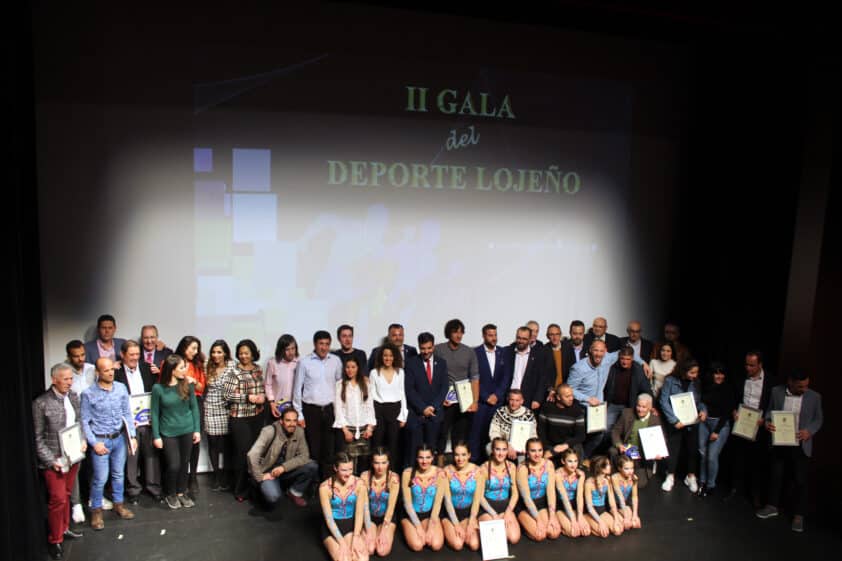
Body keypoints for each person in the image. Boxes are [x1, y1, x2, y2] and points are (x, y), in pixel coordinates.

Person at [756, 370, 823, 532]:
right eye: (801, 386)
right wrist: (768, 423)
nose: (804, 389)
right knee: (776, 475)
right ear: (790, 382)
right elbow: (769, 413)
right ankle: (772, 506)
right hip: (780, 442)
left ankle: (799, 515)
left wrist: (809, 431)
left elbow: (818, 419)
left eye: (807, 385)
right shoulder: (776, 392)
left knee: (800, 480)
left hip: (800, 444)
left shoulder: (815, 397)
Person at [34, 363, 86, 560]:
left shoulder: (73, 396)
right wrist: (51, 460)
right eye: (65, 379)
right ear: (54, 380)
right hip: (55, 461)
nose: (69, 382)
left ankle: (64, 529)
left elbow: (79, 421)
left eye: (71, 379)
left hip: (73, 457)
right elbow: (37, 439)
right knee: (58, 500)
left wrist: (82, 440)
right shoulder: (42, 403)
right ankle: (55, 539)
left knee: (66, 494)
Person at [80, 357, 137, 530]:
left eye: (112, 369)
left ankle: (118, 504)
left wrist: (132, 436)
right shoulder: (88, 394)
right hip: (101, 440)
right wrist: (94, 443)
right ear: (98, 373)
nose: (111, 372)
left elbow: (127, 413)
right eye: (106, 370)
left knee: (118, 474)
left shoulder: (121, 388)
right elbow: (84, 421)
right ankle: (96, 510)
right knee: (100, 478)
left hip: (119, 438)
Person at [568, 340, 648, 457]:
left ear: (605, 351)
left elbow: (628, 352)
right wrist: (587, 398)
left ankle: (585, 458)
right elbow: (569, 389)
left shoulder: (607, 359)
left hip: (598, 409)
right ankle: (577, 461)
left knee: (600, 435)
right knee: (581, 437)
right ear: (590, 350)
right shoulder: (578, 368)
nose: (599, 354)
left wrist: (643, 363)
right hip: (582, 408)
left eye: (601, 351)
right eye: (596, 350)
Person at [114, 340, 162, 504]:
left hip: (148, 421)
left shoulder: (147, 368)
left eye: (137, 354)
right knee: (131, 457)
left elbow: (156, 392)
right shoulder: (116, 372)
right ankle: (133, 490)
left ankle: (153, 487)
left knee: (151, 456)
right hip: (129, 424)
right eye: (131, 354)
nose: (135, 358)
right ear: (122, 355)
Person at [151, 354, 200, 510]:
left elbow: (194, 408)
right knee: (174, 464)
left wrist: (197, 430)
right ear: (172, 370)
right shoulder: (158, 388)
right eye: (181, 367)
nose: (185, 370)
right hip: (168, 432)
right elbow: (154, 413)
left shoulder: (187, 384)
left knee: (184, 463)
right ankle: (170, 493)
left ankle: (181, 492)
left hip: (186, 429)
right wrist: (156, 435)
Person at [294, 330, 344, 477]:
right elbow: (297, 389)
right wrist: (299, 414)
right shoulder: (304, 362)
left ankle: (326, 483)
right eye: (321, 344)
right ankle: (312, 485)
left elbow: (339, 386)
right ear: (315, 344)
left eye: (327, 344)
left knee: (329, 449)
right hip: (311, 411)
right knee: (313, 449)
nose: (324, 347)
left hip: (330, 410)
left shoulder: (335, 361)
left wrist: (340, 412)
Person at [247, 407, 319, 509]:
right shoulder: (269, 431)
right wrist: (259, 476)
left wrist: (283, 467)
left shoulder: (299, 431)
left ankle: (294, 492)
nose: (292, 424)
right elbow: (252, 454)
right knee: (273, 497)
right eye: (288, 420)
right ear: (281, 421)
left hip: (284, 470)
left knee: (312, 466)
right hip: (268, 472)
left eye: (295, 420)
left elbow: (304, 456)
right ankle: (260, 488)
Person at [728, 350, 773, 506]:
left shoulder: (770, 381)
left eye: (752, 365)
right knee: (738, 459)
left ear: (760, 364)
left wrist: (765, 418)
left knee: (757, 462)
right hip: (741, 424)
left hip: (759, 427)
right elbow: (733, 398)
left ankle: (755, 494)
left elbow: (773, 404)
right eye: (746, 364)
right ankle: (735, 490)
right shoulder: (740, 378)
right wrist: (733, 410)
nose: (748, 368)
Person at [224, 339, 266, 501]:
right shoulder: (233, 372)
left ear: (253, 353)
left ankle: (255, 487)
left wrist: (262, 396)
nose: (243, 356)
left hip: (257, 416)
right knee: (242, 454)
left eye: (246, 353)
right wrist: (248, 397)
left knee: (256, 454)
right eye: (241, 353)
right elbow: (227, 395)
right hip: (239, 418)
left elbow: (262, 388)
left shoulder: (258, 369)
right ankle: (240, 489)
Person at [435, 319, 479, 463]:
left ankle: (457, 463)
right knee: (442, 431)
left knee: (459, 434)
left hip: (464, 399)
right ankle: (440, 463)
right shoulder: (438, 349)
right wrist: (439, 398)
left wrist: (475, 401)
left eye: (461, 332)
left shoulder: (469, 352)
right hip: (445, 398)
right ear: (449, 333)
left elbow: (474, 378)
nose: (458, 335)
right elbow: (433, 376)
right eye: (455, 331)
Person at [659, 359, 707, 493]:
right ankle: (670, 476)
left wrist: (703, 411)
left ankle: (691, 476)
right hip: (677, 423)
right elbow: (663, 401)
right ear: (684, 371)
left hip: (692, 421)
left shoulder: (696, 383)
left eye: (696, 372)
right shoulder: (670, 380)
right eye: (692, 372)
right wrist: (674, 420)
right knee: (674, 449)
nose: (694, 375)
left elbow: (700, 402)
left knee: (692, 449)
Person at [404, 333, 448, 468]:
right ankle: (412, 481)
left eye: (429, 348)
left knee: (431, 451)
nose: (426, 351)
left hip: (434, 415)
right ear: (419, 347)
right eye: (423, 348)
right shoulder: (411, 363)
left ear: (433, 346)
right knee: (413, 452)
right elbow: (409, 390)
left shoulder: (441, 363)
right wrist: (423, 408)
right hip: (416, 415)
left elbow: (444, 387)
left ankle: (431, 482)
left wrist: (433, 407)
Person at [469, 324, 512, 462]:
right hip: (481, 402)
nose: (494, 338)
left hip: (497, 402)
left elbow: (506, 377)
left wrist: (497, 395)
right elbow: (473, 377)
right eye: (490, 335)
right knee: (477, 434)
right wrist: (485, 396)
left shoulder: (503, 352)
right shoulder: (475, 353)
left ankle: (493, 463)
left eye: (495, 335)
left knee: (495, 435)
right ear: (483, 336)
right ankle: (476, 464)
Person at [64, 339, 95, 523]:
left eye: (82, 354)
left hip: (93, 422)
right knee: (76, 465)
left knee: (94, 463)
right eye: (76, 356)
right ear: (69, 356)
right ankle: (76, 503)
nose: (80, 359)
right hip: (74, 424)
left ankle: (94, 496)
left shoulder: (92, 369)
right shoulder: (64, 371)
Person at [319, 452, 369, 561]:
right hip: (332, 527)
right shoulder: (324, 487)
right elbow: (329, 519)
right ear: (335, 468)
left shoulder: (360, 484)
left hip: (351, 524)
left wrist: (356, 537)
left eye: (350, 469)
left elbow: (360, 513)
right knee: (344, 559)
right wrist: (342, 543)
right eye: (344, 470)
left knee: (362, 559)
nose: (348, 474)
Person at [697, 362, 735, 497]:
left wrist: (717, 431)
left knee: (712, 457)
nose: (719, 376)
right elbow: (701, 402)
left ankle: (711, 485)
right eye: (716, 373)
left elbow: (727, 412)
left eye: (721, 373)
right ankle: (701, 482)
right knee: (702, 454)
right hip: (704, 423)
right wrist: (703, 410)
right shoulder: (706, 385)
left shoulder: (728, 388)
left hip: (720, 424)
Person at [174, 336, 206, 494]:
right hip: (178, 404)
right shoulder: (173, 361)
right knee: (179, 442)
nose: (195, 351)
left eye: (197, 348)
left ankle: (192, 477)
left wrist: (193, 381)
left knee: (195, 441)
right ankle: (180, 478)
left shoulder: (197, 364)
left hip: (196, 403)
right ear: (184, 347)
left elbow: (202, 387)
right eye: (193, 348)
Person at [609, 393, 663, 487]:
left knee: (639, 484)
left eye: (644, 407)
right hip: (628, 449)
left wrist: (658, 452)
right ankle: (617, 473)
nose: (640, 409)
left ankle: (633, 471)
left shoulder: (655, 420)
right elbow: (615, 431)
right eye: (638, 405)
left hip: (643, 454)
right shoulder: (627, 413)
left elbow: (661, 439)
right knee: (613, 450)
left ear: (650, 407)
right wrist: (619, 444)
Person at [333, 357, 376, 473]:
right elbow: (338, 409)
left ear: (358, 368)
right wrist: (345, 430)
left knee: (364, 463)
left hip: (363, 429)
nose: (350, 370)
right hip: (348, 429)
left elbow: (369, 406)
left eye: (353, 367)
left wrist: (370, 427)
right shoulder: (340, 385)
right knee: (348, 463)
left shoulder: (365, 384)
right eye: (347, 367)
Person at [369, 343, 407, 471]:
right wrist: (372, 419)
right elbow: (371, 396)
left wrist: (403, 416)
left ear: (395, 357)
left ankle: (393, 475)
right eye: (385, 355)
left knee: (394, 446)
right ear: (381, 357)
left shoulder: (400, 372)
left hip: (395, 410)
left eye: (391, 355)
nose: (388, 358)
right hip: (378, 410)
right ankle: (375, 476)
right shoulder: (374, 373)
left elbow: (402, 393)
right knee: (377, 444)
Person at [441, 441, 484, 551]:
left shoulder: (477, 471)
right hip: (450, 514)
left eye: (463, 455)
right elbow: (447, 501)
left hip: (468, 513)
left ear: (469, 455)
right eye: (457, 455)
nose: (460, 459)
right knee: (458, 544)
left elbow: (476, 499)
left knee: (474, 545)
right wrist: (456, 524)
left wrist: (471, 521)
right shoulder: (447, 471)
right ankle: (444, 527)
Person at [204, 340, 235, 491]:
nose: (215, 355)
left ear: (225, 353)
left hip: (226, 409)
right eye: (213, 352)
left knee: (227, 445)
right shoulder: (207, 365)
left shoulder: (232, 366)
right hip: (210, 408)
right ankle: (216, 477)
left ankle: (227, 477)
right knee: (213, 444)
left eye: (219, 352)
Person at [401, 444, 445, 552]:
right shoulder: (407, 473)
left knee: (436, 544)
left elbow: (437, 503)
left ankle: (425, 525)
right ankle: (408, 527)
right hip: (410, 514)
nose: (424, 461)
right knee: (417, 545)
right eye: (421, 457)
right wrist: (418, 527)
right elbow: (407, 503)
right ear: (416, 458)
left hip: (429, 514)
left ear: (433, 458)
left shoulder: (439, 473)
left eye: (428, 457)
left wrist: (431, 525)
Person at [516, 438, 561, 541]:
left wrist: (552, 516)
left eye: (540, 450)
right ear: (527, 452)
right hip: (526, 505)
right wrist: (538, 520)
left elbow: (551, 492)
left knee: (553, 533)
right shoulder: (522, 468)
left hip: (542, 503)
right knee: (540, 535)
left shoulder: (549, 464)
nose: (537, 454)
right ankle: (523, 522)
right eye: (533, 451)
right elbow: (526, 498)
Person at [478, 437, 521, 544]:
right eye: (497, 449)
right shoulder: (483, 468)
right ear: (492, 450)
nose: (501, 453)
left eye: (504, 449)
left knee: (513, 538)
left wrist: (508, 512)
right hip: (487, 508)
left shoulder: (511, 466)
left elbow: (515, 493)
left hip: (505, 507)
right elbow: (479, 496)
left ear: (507, 450)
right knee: (497, 539)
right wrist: (494, 515)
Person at [361, 447, 400, 557]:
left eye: (383, 463)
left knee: (382, 551)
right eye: (376, 463)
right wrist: (368, 527)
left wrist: (384, 529)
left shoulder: (394, 478)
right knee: (370, 549)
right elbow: (364, 505)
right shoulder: (365, 476)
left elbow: (391, 507)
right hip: (370, 517)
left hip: (387, 516)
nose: (380, 467)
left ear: (388, 463)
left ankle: (379, 531)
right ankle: (372, 532)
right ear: (372, 463)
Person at [538, 384, 586, 465]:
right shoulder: (547, 408)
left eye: (572, 395)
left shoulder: (576, 410)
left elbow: (580, 436)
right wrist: (548, 449)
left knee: (577, 447)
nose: (571, 398)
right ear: (558, 397)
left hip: (568, 445)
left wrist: (564, 445)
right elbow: (541, 431)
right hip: (551, 444)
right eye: (567, 396)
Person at [487, 389, 537, 461]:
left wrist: (527, 447)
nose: (514, 403)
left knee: (523, 458)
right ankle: (498, 469)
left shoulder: (529, 414)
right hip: (503, 445)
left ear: (522, 401)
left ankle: (521, 471)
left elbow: (533, 434)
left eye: (517, 400)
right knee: (488, 447)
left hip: (522, 448)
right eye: (512, 400)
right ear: (508, 399)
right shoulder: (500, 412)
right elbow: (494, 432)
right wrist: (506, 446)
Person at [510, 326, 551, 412]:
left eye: (524, 339)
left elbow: (542, 379)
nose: (521, 341)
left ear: (529, 339)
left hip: (529, 400)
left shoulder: (538, 355)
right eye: (519, 338)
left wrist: (537, 399)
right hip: (510, 399)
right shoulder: (508, 352)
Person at [583, 456, 623, 537]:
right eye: (607, 465)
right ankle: (586, 519)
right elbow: (589, 507)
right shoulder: (588, 483)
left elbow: (612, 501)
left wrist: (615, 518)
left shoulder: (607, 480)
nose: (610, 466)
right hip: (591, 512)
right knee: (604, 533)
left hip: (602, 510)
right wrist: (600, 522)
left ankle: (596, 524)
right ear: (601, 468)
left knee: (618, 529)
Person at [554, 448, 590, 538]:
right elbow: (564, 498)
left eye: (575, 461)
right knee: (574, 533)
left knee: (586, 531)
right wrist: (573, 520)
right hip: (561, 506)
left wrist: (580, 516)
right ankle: (561, 524)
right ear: (563, 461)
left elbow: (579, 496)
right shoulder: (557, 474)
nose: (573, 465)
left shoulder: (580, 474)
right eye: (570, 461)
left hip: (574, 505)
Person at [264, 334, 299, 421]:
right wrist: (272, 403)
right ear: (281, 350)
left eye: (293, 348)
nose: (291, 352)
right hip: (278, 406)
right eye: (287, 349)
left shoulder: (300, 362)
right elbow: (268, 384)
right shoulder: (273, 363)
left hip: (295, 407)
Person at [611, 455, 641, 530]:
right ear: (619, 468)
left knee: (635, 524)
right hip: (614, 505)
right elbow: (620, 497)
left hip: (625, 504)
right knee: (625, 525)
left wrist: (635, 514)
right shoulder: (615, 477)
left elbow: (634, 497)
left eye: (632, 468)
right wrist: (626, 516)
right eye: (626, 469)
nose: (630, 471)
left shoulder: (634, 478)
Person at [544, 323, 564, 388]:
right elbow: (543, 374)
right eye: (551, 335)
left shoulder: (568, 348)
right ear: (547, 336)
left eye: (557, 334)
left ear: (560, 335)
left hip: (565, 389)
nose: (555, 337)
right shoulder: (543, 351)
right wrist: (550, 388)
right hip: (550, 390)